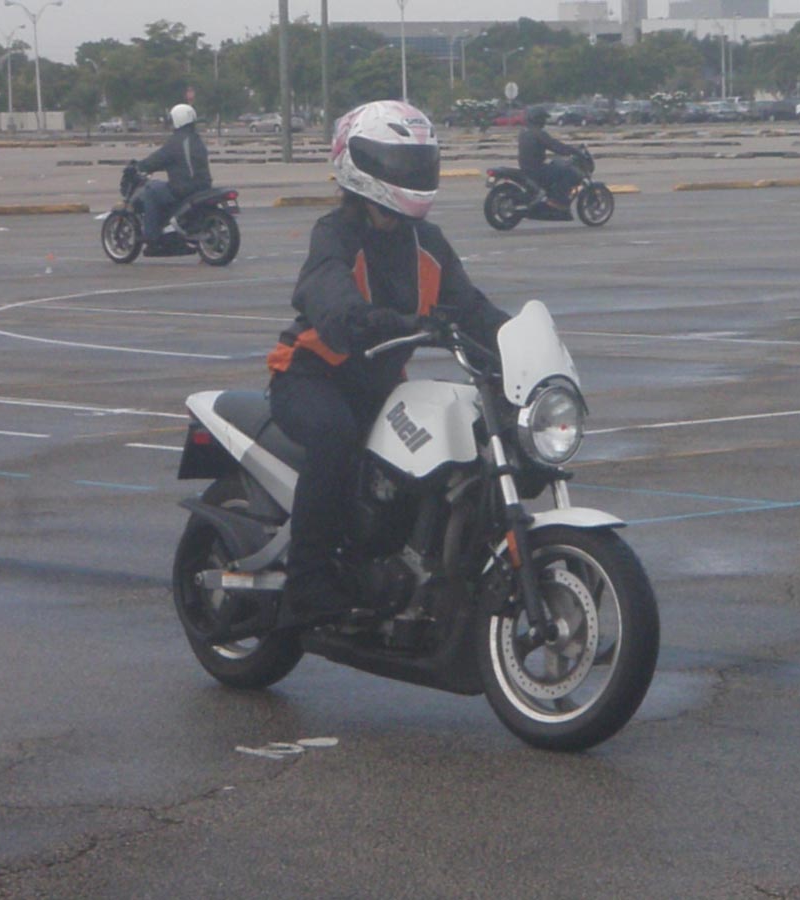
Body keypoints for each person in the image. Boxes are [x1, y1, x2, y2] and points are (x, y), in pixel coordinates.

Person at [266, 100, 509, 629]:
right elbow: (328, 295)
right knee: (334, 436)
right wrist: (373, 320)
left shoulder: (428, 243)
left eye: (419, 163)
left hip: (379, 385)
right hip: (311, 376)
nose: (412, 173)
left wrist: (516, 344)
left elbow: (470, 308)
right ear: (361, 164)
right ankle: (306, 584)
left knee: (451, 446)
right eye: (400, 163)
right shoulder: (335, 233)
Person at [136, 103, 212, 255]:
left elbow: (158, 158)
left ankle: (152, 240)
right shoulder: (196, 139)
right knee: (160, 188)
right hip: (203, 186)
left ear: (177, 119)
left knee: (151, 190)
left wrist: (141, 166)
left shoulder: (176, 141)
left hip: (184, 189)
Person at [517, 105, 583, 210]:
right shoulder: (538, 133)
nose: (544, 121)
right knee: (569, 173)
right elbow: (555, 146)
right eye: (543, 118)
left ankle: (549, 196)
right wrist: (573, 150)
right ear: (538, 119)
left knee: (555, 166)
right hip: (537, 169)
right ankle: (557, 201)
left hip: (527, 167)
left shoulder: (524, 132)